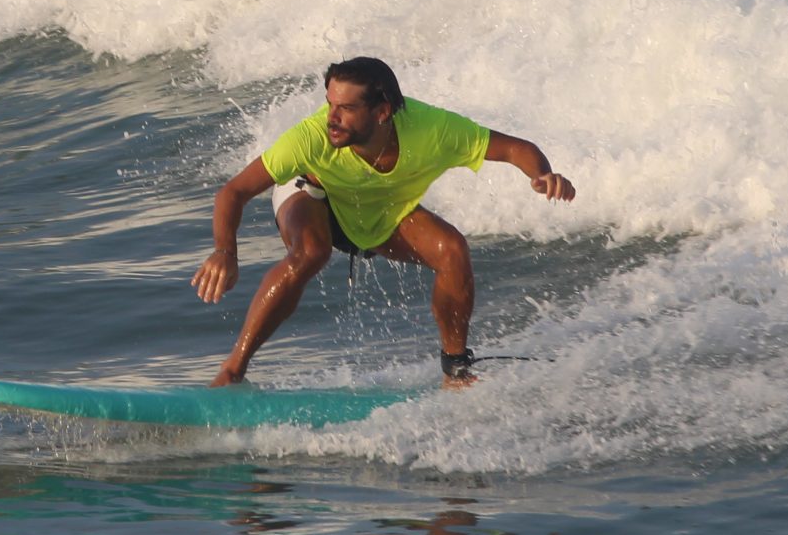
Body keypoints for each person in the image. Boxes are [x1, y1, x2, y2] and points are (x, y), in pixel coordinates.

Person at [190, 56, 574, 387]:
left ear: (382, 111)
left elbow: (513, 148)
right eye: (329, 104)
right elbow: (234, 192)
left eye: (345, 108)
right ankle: (232, 371)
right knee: (311, 251)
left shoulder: (432, 130)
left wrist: (541, 174)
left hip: (379, 210)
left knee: (452, 249)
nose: (331, 118)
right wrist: (225, 250)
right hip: (312, 195)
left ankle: (455, 368)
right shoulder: (310, 138)